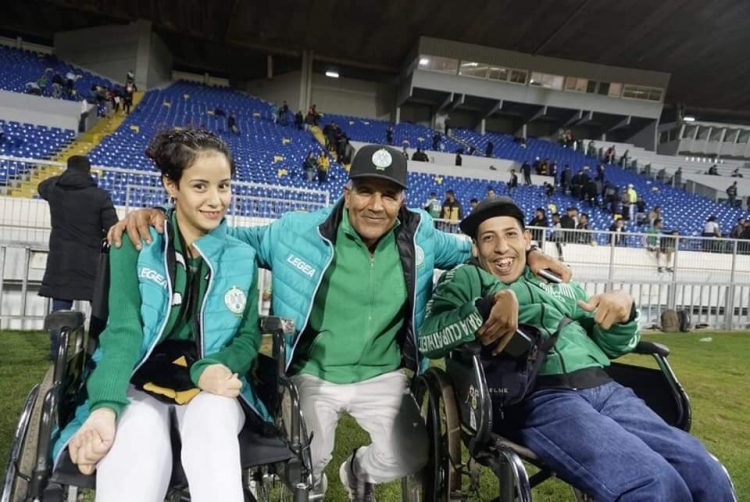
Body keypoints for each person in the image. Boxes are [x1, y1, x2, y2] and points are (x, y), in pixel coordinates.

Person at [108, 144, 573, 500]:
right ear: (347, 192)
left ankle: (358, 473)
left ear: (402, 200)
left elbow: (481, 250)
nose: (376, 204)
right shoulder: (294, 231)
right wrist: (161, 216)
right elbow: (219, 236)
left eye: (389, 195)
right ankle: (317, 480)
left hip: (384, 375)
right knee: (305, 462)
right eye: (365, 190)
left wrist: (529, 252)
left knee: (410, 455)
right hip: (314, 373)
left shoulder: (423, 236)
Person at [418, 196, 736, 502]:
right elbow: (429, 338)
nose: (501, 247)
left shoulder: (557, 280)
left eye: (510, 234)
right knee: (654, 483)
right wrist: (487, 306)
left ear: (527, 240)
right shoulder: (465, 278)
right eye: (488, 238)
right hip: (539, 398)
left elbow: (610, 345)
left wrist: (625, 314)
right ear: (476, 247)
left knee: (708, 474)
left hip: (608, 391)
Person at [53, 129, 270, 502]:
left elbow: (248, 337)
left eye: (224, 186)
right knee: (135, 435)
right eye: (200, 186)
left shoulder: (241, 256)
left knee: (212, 424)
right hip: (138, 377)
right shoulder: (134, 242)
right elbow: (123, 330)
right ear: (172, 185)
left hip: (209, 380)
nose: (216, 200)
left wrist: (213, 367)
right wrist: (104, 407)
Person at [39, 155, 118, 359]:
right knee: (98, 309)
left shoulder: (55, 190)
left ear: (68, 168)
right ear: (88, 171)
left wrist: (64, 177)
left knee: (60, 309)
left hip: (61, 259)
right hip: (91, 260)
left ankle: (57, 351)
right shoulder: (100, 196)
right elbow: (112, 226)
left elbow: (42, 185)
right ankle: (97, 349)